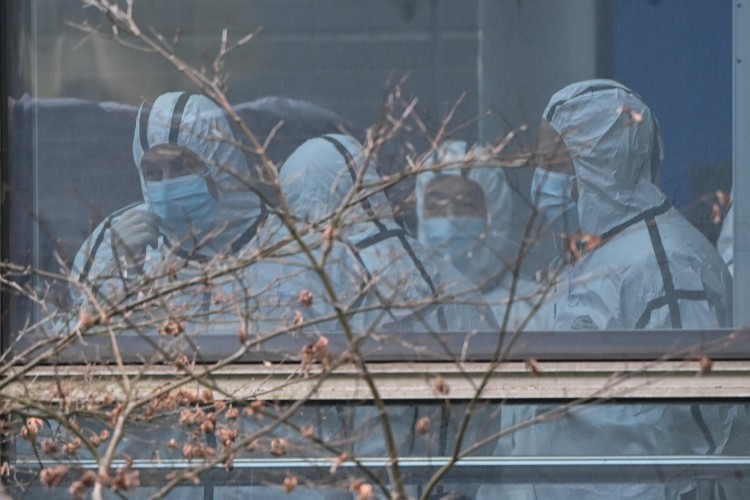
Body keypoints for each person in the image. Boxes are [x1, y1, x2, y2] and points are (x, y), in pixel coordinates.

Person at [478, 79, 745, 500]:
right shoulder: (599, 252)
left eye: (553, 159)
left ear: (603, 161)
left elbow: (698, 420)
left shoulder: (668, 263)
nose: (540, 175)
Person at [70, 92, 265, 321]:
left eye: (181, 167)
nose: (166, 185)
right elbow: (72, 344)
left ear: (221, 164)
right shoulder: (108, 242)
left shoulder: (286, 245)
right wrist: (117, 276)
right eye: (152, 173)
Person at [415, 140, 555, 330]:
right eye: (434, 206)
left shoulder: (536, 307)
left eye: (466, 205)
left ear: (496, 214)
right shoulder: (409, 311)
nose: (449, 219)